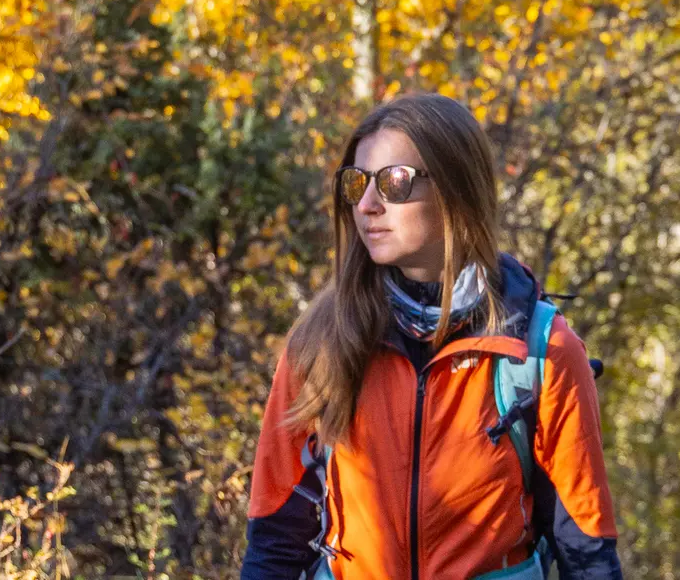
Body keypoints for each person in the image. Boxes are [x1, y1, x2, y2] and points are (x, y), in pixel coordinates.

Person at [240, 93, 623, 580]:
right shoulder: (319, 343)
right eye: (356, 182)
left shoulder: (541, 351)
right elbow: (276, 538)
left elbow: (585, 552)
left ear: (456, 189)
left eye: (394, 182)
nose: (367, 205)